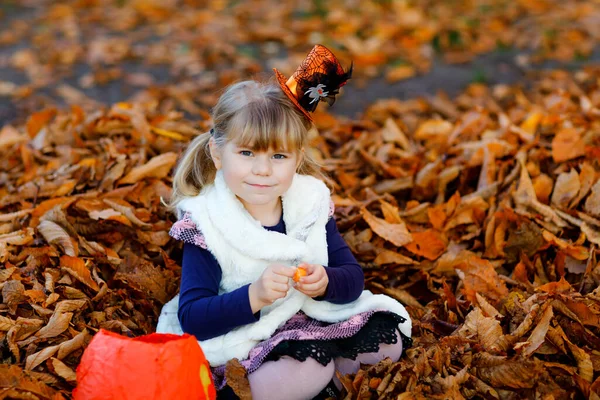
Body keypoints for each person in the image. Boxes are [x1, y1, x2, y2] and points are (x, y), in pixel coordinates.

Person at [157, 44, 412, 400]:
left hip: (310, 319)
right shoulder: (208, 223)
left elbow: (352, 278)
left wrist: (325, 282)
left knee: (386, 341)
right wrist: (255, 295)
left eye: (278, 156)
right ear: (217, 153)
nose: (262, 170)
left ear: (297, 159)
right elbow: (194, 316)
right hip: (248, 337)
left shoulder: (308, 203)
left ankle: (319, 388)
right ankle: (276, 389)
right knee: (306, 367)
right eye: (246, 153)